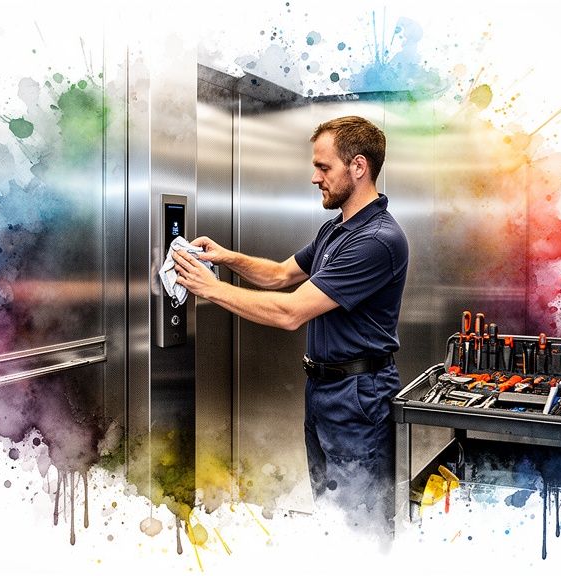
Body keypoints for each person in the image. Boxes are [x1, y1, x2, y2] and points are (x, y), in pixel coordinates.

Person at [172, 115, 408, 531]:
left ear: (358, 167)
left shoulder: (376, 240)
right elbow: (281, 274)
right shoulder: (336, 231)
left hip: (357, 397)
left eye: (324, 167)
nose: (314, 177)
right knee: (332, 512)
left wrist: (209, 289)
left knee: (361, 522)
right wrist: (226, 258)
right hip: (323, 389)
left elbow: (290, 311)